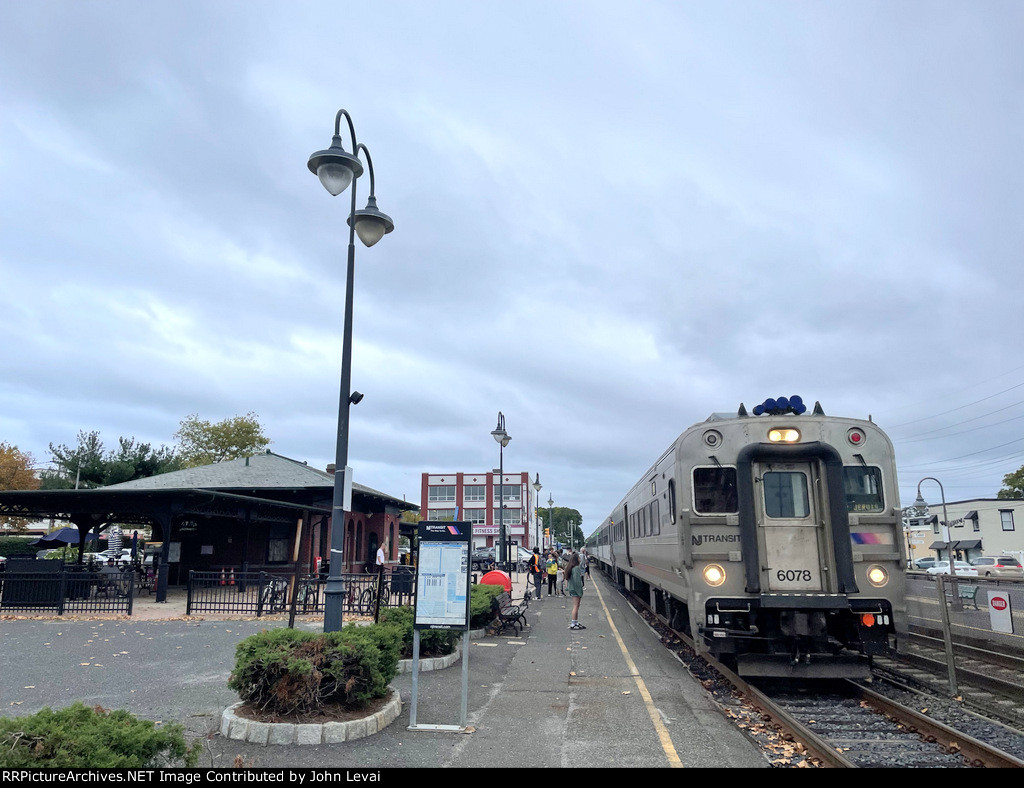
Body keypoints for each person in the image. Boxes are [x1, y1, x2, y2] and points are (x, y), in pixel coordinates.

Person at [565, 552, 585, 629]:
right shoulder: (576, 568)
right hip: (575, 589)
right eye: (579, 558)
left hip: (572, 589)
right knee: (576, 606)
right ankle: (573, 623)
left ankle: (575, 621)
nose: (580, 559)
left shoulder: (571, 568)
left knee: (576, 605)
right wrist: (580, 591)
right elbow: (577, 581)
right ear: (577, 559)